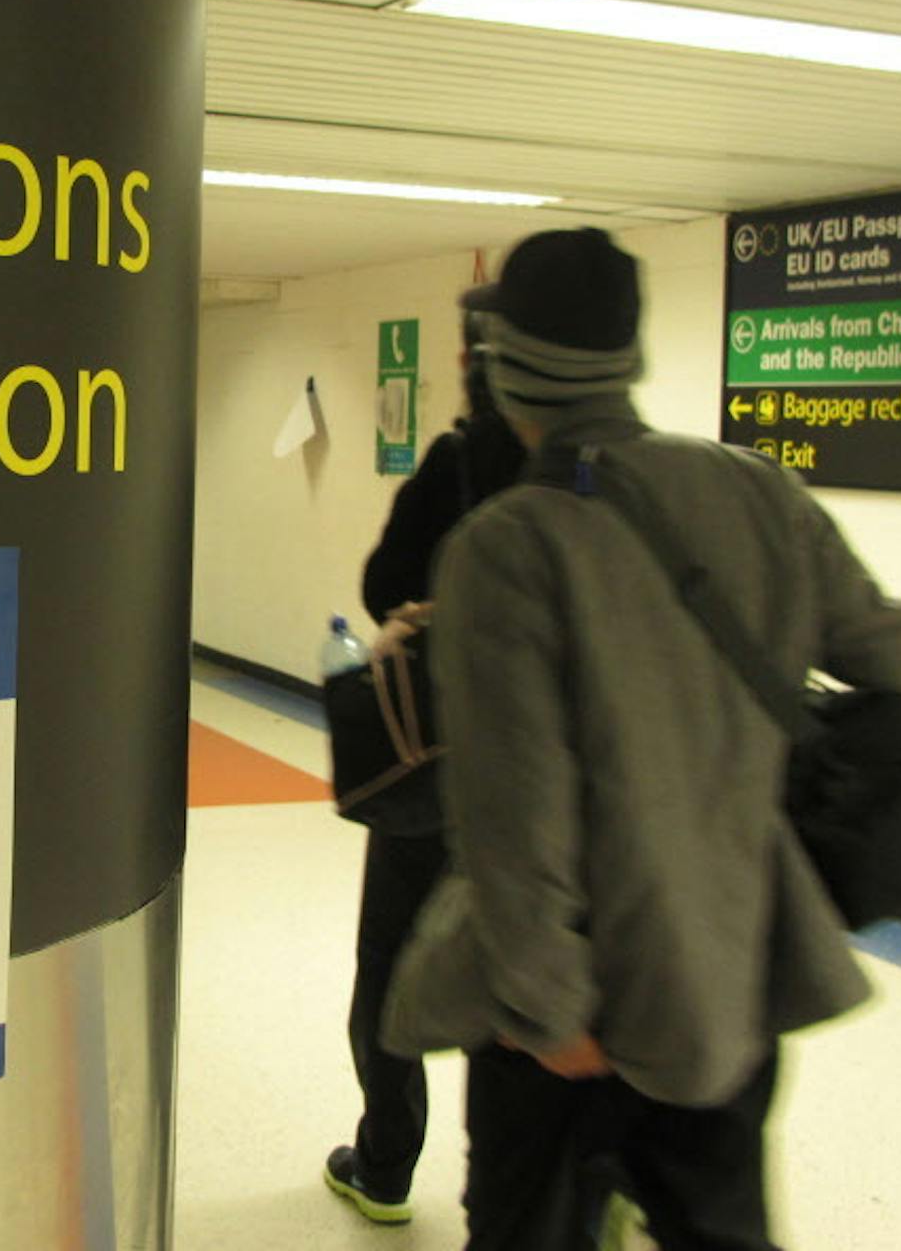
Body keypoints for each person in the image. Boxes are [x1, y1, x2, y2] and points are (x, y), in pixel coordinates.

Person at [403, 227, 901, 1250]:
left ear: (508, 369)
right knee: (718, 1224)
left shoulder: (507, 546)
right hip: (732, 975)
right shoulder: (757, 491)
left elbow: (516, 815)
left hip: (578, 1009)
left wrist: (552, 1012)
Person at [322, 315, 526, 1225]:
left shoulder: (458, 460)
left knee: (392, 962)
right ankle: (510, 1186)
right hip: (545, 775)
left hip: (435, 767)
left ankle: (386, 1163)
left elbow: (381, 587)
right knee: (521, 965)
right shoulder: (606, 477)